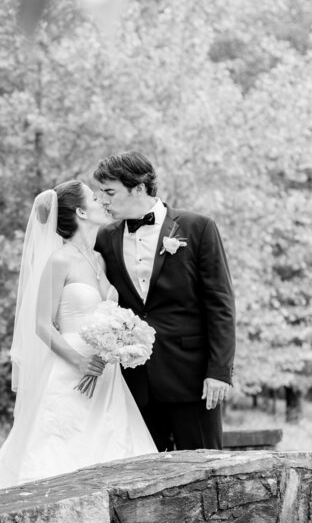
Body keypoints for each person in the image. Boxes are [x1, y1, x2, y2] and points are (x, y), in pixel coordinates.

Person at [0, 181, 156, 493]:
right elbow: (41, 325)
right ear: (80, 211)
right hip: (70, 367)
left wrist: (121, 341)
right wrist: (79, 361)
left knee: (110, 443)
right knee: (60, 448)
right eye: (94, 197)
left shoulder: (99, 259)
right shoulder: (59, 260)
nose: (101, 200)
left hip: (106, 371)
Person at [92, 151, 236, 451]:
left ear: (139, 188)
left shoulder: (198, 228)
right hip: (135, 383)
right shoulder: (104, 238)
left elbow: (220, 306)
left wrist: (219, 372)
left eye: (109, 192)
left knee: (204, 474)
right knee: (142, 479)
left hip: (193, 381)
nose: (102, 200)